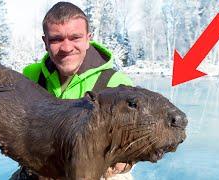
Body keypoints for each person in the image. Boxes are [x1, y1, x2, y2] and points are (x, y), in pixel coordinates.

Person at [14, 2, 134, 180]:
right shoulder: (30, 77)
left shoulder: (116, 84)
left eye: (75, 37)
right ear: (45, 42)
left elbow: (135, 140)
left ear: (88, 39)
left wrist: (126, 161)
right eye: (56, 39)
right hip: (45, 167)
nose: (66, 47)